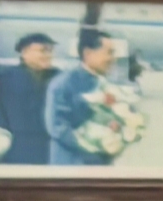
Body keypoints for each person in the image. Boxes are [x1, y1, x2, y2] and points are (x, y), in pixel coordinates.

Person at [45, 31, 124, 163]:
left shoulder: (107, 84)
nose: (113, 59)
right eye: (109, 53)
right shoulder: (64, 84)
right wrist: (97, 143)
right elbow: (57, 127)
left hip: (100, 165)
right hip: (72, 165)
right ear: (88, 53)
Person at [0, 30, 59, 166]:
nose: (48, 55)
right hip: (16, 147)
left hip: (51, 147)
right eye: (43, 50)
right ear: (25, 52)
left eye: (50, 51)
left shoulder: (60, 79)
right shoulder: (3, 79)